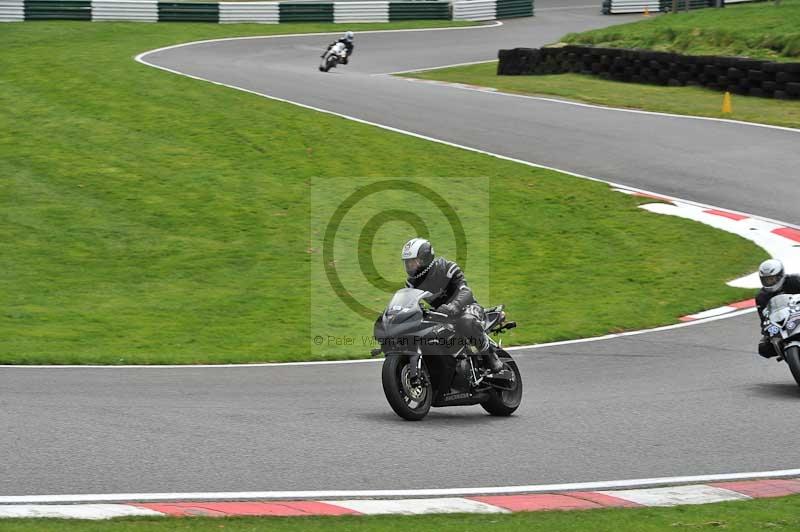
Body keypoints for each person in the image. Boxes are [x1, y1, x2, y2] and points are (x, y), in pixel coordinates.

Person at [401, 237, 505, 375]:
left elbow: (465, 290)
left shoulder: (446, 268)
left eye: (413, 262)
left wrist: (454, 305)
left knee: (466, 322)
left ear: (425, 259)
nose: (409, 266)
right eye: (407, 263)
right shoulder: (412, 283)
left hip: (466, 308)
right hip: (440, 315)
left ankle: (490, 355)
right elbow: (409, 302)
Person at [756, 258, 800, 358]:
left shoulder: (795, 281)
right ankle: (786, 352)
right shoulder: (761, 297)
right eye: (766, 280)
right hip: (781, 323)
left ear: (781, 275)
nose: (769, 282)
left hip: (798, 313)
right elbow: (763, 318)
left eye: (772, 279)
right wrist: (767, 332)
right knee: (763, 348)